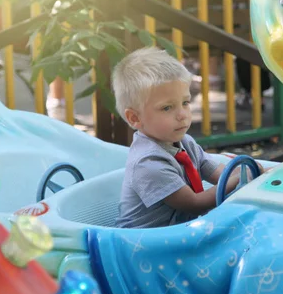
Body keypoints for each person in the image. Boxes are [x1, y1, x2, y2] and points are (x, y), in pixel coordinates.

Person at [112, 47, 264, 229]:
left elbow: (221, 174)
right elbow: (195, 203)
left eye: (185, 103)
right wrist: (239, 179)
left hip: (178, 236)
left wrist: (250, 171)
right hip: (141, 247)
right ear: (135, 118)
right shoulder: (148, 164)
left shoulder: (185, 143)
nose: (182, 114)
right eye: (167, 108)